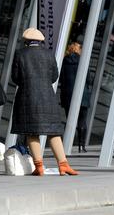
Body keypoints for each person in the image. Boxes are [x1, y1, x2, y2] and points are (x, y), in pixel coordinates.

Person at [11, 28, 78, 176]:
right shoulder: (49, 54)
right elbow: (54, 76)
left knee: (31, 132)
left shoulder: (20, 54)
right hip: (48, 97)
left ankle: (39, 166)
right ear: (41, 41)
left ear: (26, 41)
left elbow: (15, 77)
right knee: (53, 131)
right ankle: (63, 165)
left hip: (27, 97)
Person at [58, 42, 89, 153]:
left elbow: (61, 78)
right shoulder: (83, 61)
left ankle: (68, 143)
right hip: (83, 95)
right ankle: (82, 145)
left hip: (67, 95)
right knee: (82, 121)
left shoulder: (64, 62)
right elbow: (88, 78)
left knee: (70, 120)